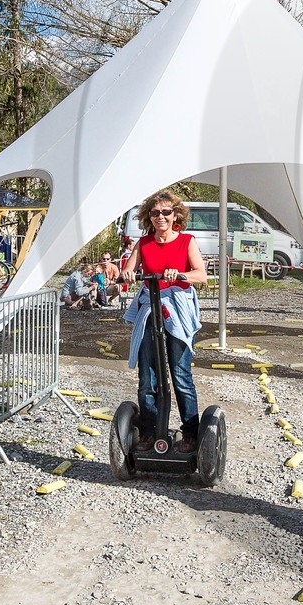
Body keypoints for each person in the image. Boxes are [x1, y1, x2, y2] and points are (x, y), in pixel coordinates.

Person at [124, 192, 208, 452]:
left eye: (166, 212)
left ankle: (191, 433)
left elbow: (201, 275)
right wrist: (127, 274)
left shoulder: (186, 241)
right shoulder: (144, 243)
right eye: (155, 213)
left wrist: (180, 273)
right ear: (148, 216)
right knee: (147, 377)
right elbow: (129, 268)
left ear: (175, 216)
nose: (161, 217)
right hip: (151, 307)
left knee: (180, 374)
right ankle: (149, 432)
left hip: (177, 310)